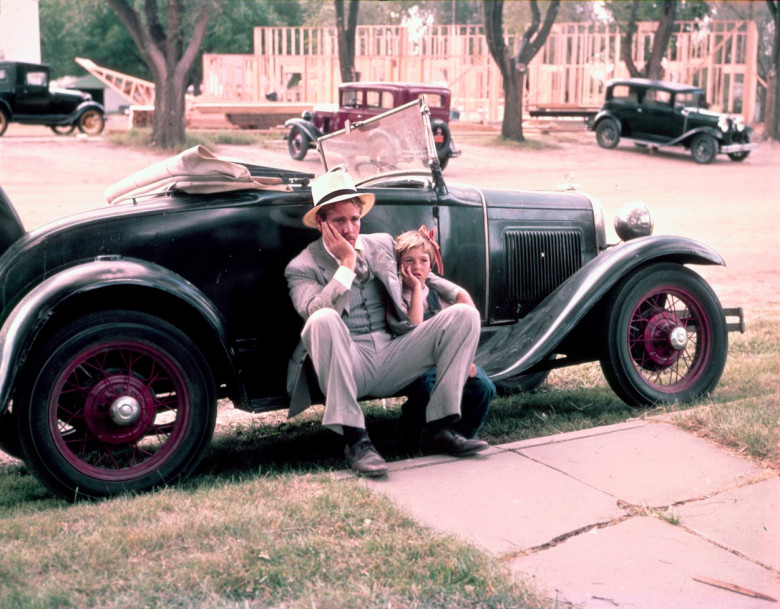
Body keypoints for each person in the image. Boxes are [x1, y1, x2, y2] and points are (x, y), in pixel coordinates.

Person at [285, 166, 488, 477]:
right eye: (339, 221)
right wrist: (347, 263)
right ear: (322, 223)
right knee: (322, 319)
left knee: (464, 315)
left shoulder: (380, 243)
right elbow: (312, 312)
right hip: (348, 360)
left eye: (354, 219)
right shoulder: (302, 266)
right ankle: (356, 441)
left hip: (394, 352)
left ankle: (439, 427)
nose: (350, 229)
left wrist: (457, 292)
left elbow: (422, 272)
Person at [395, 227, 496, 451]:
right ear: (399, 265)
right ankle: (415, 431)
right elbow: (415, 330)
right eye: (409, 260)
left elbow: (459, 329)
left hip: (443, 359)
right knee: (426, 386)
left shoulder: (436, 294)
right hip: (413, 363)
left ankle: (462, 434)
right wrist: (416, 291)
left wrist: (465, 360)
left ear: (430, 267)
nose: (416, 266)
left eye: (423, 261)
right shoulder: (399, 295)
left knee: (483, 386)